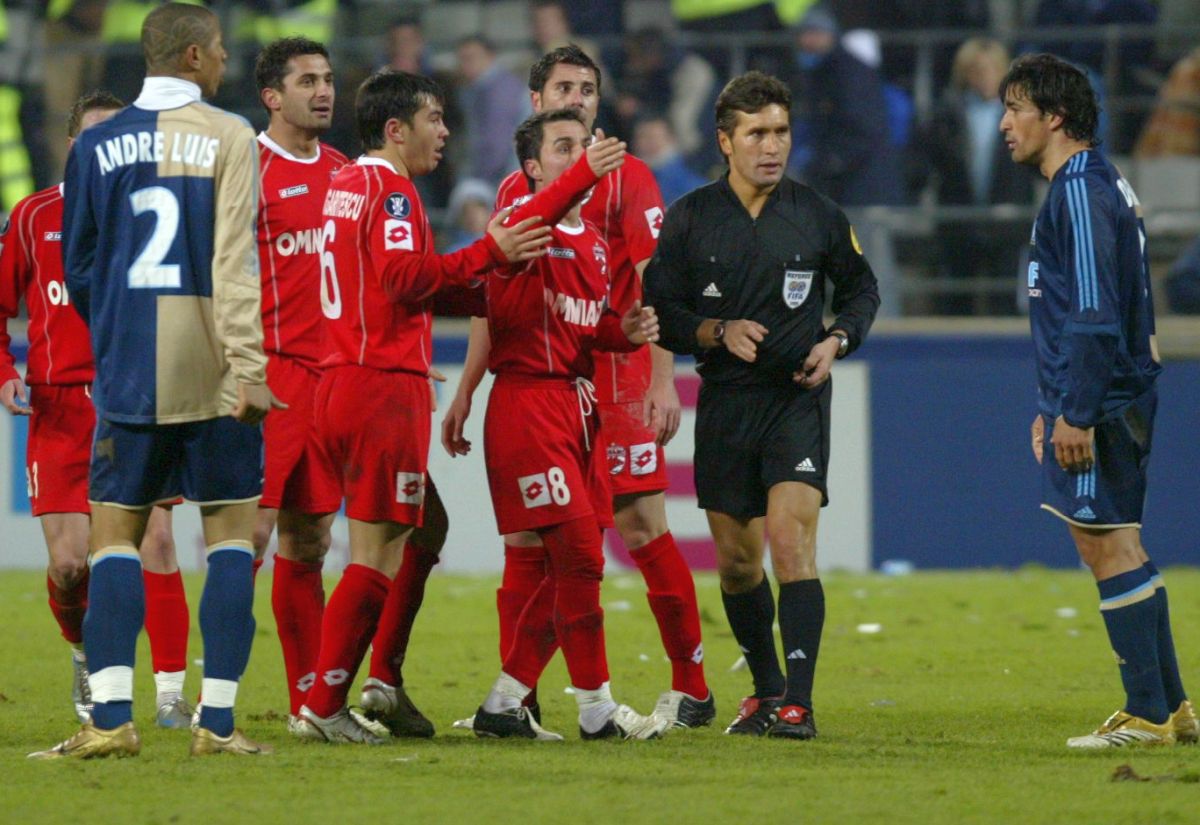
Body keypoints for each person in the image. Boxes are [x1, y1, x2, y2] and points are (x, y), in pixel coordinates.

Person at [33, 2, 279, 760]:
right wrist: (250, 366)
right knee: (230, 537)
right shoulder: (233, 135)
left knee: (116, 537)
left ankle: (110, 719)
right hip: (216, 370)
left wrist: (117, 336)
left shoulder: (96, 143)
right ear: (197, 57)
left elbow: (78, 264)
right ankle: (218, 722)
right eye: (222, 52)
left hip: (131, 367)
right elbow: (235, 262)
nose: (228, 62)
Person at [444, 44, 714, 729]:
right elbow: (493, 308)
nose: (580, 98)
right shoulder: (523, 196)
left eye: (589, 89)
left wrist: (661, 379)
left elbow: (650, 289)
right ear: (535, 105)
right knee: (538, 547)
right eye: (565, 87)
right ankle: (525, 697)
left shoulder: (627, 182)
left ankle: (691, 685)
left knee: (636, 525)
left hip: (609, 375)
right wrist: (469, 386)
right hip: (539, 384)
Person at [292, 69, 551, 744]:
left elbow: (387, 285)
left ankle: (384, 678)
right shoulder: (394, 190)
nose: (444, 131)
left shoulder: (344, 184)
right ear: (395, 129)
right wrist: (490, 252)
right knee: (375, 553)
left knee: (424, 524)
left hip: (336, 381)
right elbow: (405, 280)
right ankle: (323, 704)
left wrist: (485, 285)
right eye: (433, 119)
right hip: (380, 385)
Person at [644, 71, 880, 740]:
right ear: (726, 141)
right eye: (756, 133)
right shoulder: (690, 216)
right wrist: (715, 332)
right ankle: (767, 688)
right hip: (724, 404)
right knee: (740, 562)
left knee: (789, 538)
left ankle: (799, 703)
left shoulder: (818, 214)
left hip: (795, 399)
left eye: (780, 131)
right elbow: (661, 308)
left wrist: (837, 339)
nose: (771, 146)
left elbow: (863, 292)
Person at [999, 52, 1197, 749]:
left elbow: (1091, 311)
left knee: (1103, 545)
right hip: (1108, 392)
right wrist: (1056, 400)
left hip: (1102, 400)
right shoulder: (1100, 180)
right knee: (1124, 542)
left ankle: (1144, 711)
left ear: (1054, 117)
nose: (1005, 125)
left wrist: (1074, 410)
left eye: (1016, 108)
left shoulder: (1078, 190)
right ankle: (1171, 706)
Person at [468, 108, 666, 741]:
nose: (581, 155)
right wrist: (584, 171)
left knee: (572, 565)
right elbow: (537, 216)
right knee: (580, 555)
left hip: (576, 412)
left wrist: (622, 331)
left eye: (585, 145)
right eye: (563, 148)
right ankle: (596, 710)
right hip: (527, 409)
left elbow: (587, 328)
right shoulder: (521, 225)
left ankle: (505, 704)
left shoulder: (596, 244)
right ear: (533, 168)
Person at [1, 89, 194, 731]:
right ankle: (85, 656)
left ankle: (170, 692)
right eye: (94, 136)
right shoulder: (32, 218)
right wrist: (5, 374)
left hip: (135, 397)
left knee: (159, 541)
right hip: (58, 409)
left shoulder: (151, 212)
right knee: (68, 565)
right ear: (72, 146)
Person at [249, 36, 348, 732]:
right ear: (272, 96)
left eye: (329, 78)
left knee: (309, 542)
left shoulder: (346, 173)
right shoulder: (245, 169)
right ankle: (206, 698)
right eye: (307, 79)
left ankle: (307, 700)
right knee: (245, 537)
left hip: (332, 379)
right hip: (264, 377)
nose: (323, 91)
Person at [919, 37, 1035, 315]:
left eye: (990, 69)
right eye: (976, 70)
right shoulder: (946, 112)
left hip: (1007, 221)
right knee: (956, 303)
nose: (984, 77)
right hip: (959, 218)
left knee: (1005, 303)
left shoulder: (1024, 115)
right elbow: (926, 161)